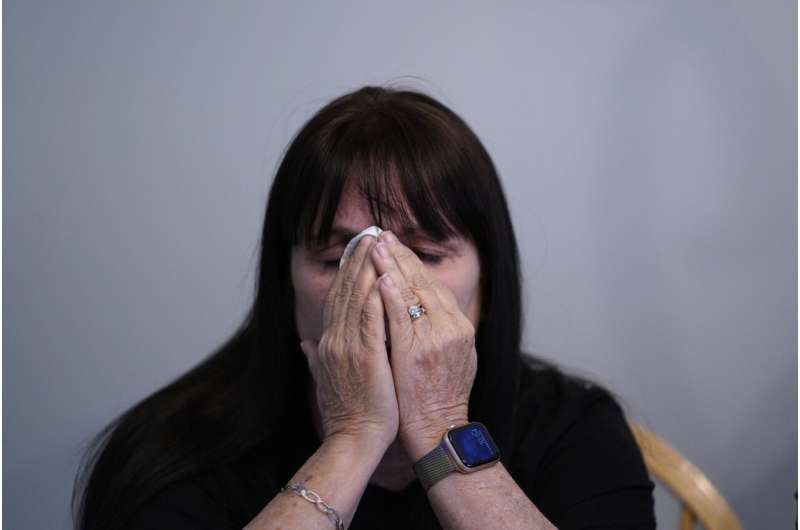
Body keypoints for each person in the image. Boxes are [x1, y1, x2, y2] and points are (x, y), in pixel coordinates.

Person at [73, 86, 656, 529]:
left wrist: (439, 426)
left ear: (489, 282)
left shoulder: (575, 430)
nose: (382, 285)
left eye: (424, 254)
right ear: (286, 281)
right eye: (336, 259)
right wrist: (352, 438)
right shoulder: (169, 452)